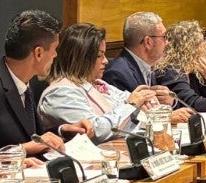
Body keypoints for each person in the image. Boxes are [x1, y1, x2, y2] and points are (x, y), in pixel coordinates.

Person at [39, 23, 177, 140]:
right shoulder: (61, 93)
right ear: (80, 59)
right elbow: (97, 131)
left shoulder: (99, 84)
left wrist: (147, 103)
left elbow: (134, 113)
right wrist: (132, 104)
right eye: (99, 55)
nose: (105, 61)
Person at [0, 10, 67, 157]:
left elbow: (32, 134)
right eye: (54, 49)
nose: (55, 55)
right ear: (38, 53)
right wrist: (22, 149)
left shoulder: (26, 81)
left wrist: (64, 129)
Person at [106, 11, 206, 113]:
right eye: (164, 37)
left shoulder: (146, 66)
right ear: (148, 42)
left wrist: (171, 102)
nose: (167, 43)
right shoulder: (117, 73)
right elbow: (124, 119)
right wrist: (168, 116)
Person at [163, 20, 206, 107]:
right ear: (188, 47)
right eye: (201, 42)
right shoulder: (170, 70)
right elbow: (191, 102)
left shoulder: (195, 71)